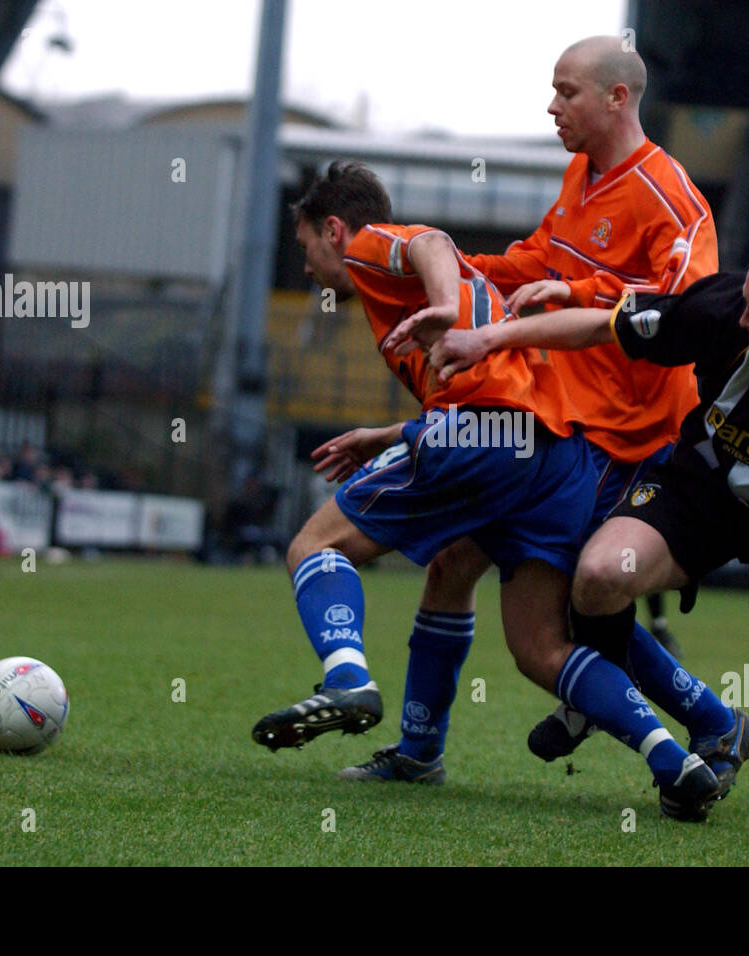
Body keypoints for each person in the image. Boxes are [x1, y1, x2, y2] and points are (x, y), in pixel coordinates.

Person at [409, 232, 749, 841]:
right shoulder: (728, 307)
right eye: (745, 301)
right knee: (598, 576)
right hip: (698, 483)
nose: (743, 317)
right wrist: (488, 338)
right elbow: (602, 327)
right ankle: (598, 698)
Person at [251, 161, 725, 820]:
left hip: (486, 436)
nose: (307, 267)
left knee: (313, 547)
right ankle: (674, 760)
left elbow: (431, 244)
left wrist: (443, 304)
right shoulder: (425, 298)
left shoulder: (372, 247)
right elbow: (495, 385)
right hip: (553, 452)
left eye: (305, 247)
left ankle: (347, 679)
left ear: (333, 229)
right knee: (536, 643)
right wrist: (392, 433)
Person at [340, 35, 721, 783]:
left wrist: (576, 295)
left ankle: (692, 729)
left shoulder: (671, 195)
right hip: (566, 416)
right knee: (491, 576)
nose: (552, 107)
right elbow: (538, 260)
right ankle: (703, 722)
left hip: (627, 435)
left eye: (567, 91)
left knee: (560, 610)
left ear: (618, 97)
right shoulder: (583, 173)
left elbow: (688, 307)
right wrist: (448, 265)